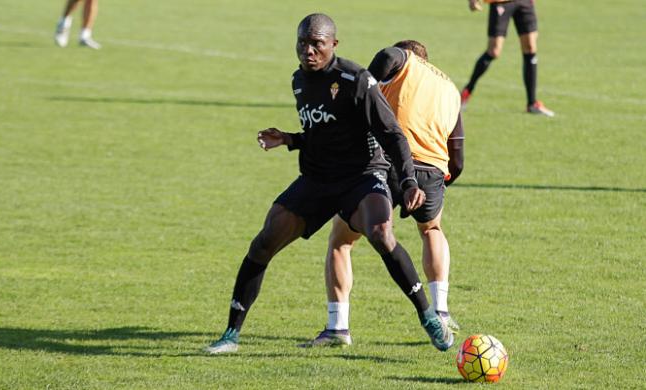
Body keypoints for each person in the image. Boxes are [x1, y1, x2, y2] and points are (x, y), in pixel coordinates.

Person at [205, 14, 454, 354]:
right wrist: (290, 139)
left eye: (317, 44)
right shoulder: (298, 81)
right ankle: (230, 336)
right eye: (302, 43)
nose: (308, 50)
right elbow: (323, 135)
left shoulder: (356, 79)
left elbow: (392, 133)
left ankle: (429, 317)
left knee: (381, 233)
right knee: (263, 243)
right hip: (318, 180)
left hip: (363, 177)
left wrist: (409, 181)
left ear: (333, 45)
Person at [301, 40, 465, 348]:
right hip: (432, 170)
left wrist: (364, 84)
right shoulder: (450, 89)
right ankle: (441, 310)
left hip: (387, 162)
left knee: (341, 241)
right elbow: (458, 158)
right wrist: (440, 184)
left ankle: (338, 327)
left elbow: (390, 55)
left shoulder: (405, 61)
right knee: (432, 229)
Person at [461, 0, 554, 116]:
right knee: (494, 51)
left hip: (525, 2)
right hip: (501, 2)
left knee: (530, 47)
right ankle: (467, 91)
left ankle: (532, 103)